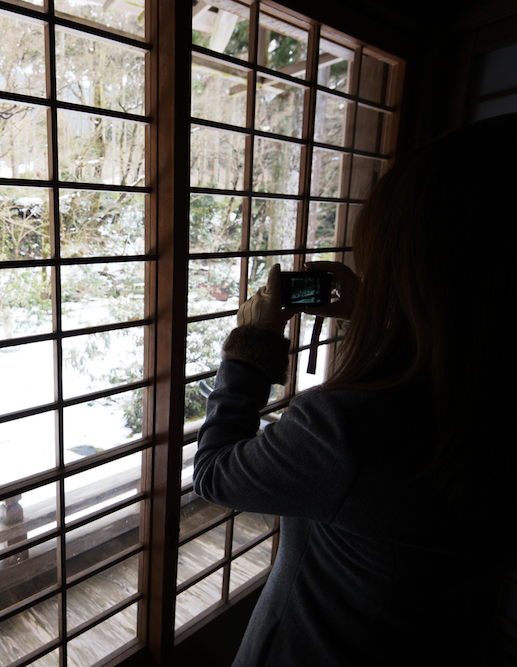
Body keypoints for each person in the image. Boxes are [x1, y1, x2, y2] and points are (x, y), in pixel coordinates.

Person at [193, 112, 517, 666]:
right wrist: (380, 313)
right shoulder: (489, 402)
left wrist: (249, 349)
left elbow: (214, 473)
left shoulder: (349, 431)